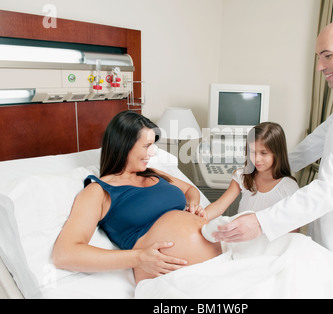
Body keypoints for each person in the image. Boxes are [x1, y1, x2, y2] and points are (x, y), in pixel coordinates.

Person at [212, 17, 333, 277]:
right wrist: (272, 166)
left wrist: (262, 221)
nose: (319, 66)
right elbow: (318, 140)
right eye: (319, 57)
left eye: (327, 56)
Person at [53, 111, 221, 284]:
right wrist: (138, 257)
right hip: (171, 281)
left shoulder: (153, 173)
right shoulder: (99, 191)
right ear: (124, 145)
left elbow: (190, 190)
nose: (153, 153)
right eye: (147, 146)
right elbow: (64, 253)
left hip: (218, 268)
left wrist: (192, 205)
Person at [204, 122, 299, 229]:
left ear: (278, 153)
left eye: (263, 153)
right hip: (241, 238)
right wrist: (201, 216)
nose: (257, 159)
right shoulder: (242, 176)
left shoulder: (288, 186)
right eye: (253, 152)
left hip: (270, 242)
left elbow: (293, 228)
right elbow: (220, 205)